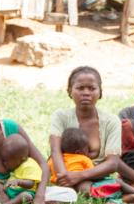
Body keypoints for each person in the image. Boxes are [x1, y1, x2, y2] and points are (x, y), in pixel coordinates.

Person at [50, 66, 122, 194]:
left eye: (92, 88)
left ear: (100, 92)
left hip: (97, 176)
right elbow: (55, 151)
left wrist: (79, 176)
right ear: (69, 91)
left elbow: (113, 163)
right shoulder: (60, 116)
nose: (86, 93)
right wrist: (65, 180)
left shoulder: (111, 121)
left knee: (87, 189)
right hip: (64, 174)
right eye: (80, 88)